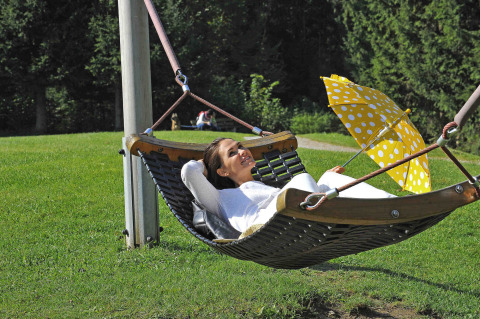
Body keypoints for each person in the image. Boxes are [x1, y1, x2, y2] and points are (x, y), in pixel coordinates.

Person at [181, 137, 395, 235]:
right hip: (265, 231)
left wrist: (325, 182)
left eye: (240, 146)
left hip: (291, 215)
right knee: (302, 179)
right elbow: (189, 172)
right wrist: (205, 164)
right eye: (232, 153)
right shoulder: (220, 198)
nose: (242, 151)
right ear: (222, 171)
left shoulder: (266, 187)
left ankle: (392, 205)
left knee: (331, 179)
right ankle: (334, 208)